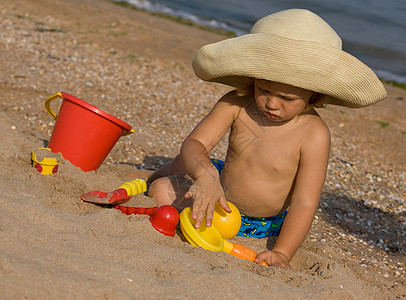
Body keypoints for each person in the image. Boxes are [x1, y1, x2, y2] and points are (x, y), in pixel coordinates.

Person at [146, 9, 387, 268]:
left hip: (259, 221)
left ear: (314, 96)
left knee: (177, 180)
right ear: (252, 80)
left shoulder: (313, 134)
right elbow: (196, 143)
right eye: (264, 90)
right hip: (217, 191)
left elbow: (304, 202)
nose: (272, 103)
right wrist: (205, 176)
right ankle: (154, 176)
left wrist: (283, 252)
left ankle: (170, 175)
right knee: (164, 183)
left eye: (287, 99)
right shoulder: (237, 103)